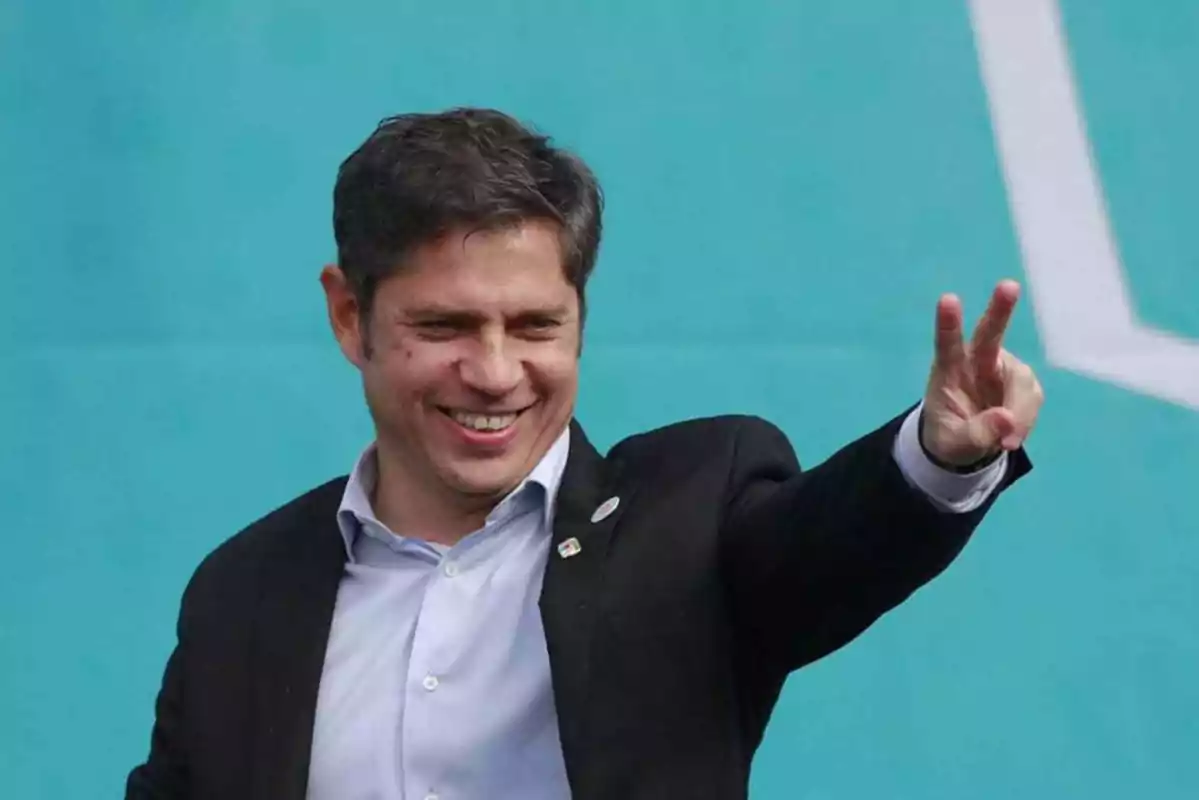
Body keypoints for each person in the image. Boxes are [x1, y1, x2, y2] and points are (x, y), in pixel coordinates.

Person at [125, 107, 1041, 800]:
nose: (493, 372)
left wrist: (939, 455)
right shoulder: (243, 591)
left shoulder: (689, 515)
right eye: (443, 326)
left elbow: (828, 546)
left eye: (534, 326)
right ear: (348, 316)